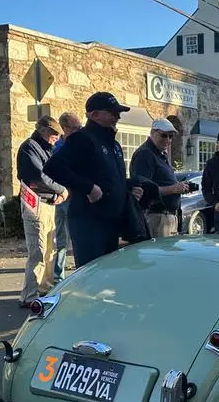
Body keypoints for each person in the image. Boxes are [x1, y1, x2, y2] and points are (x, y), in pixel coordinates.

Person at [44, 92, 145, 267]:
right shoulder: (82, 139)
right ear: (94, 115)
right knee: (92, 278)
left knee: (110, 277)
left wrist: (128, 188)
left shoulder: (113, 144)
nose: (117, 117)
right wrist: (88, 188)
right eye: (112, 113)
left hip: (111, 223)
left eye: (118, 113)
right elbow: (53, 167)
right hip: (89, 223)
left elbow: (109, 178)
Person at [16, 116, 67, 307]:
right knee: (37, 250)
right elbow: (38, 178)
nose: (56, 139)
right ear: (44, 132)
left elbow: (52, 175)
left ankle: (45, 288)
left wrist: (57, 192)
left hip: (48, 202)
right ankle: (29, 295)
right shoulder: (29, 147)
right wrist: (61, 190)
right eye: (54, 135)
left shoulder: (45, 149)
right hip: (34, 204)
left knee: (50, 249)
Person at [129, 118, 190, 237]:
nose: (168, 140)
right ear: (152, 133)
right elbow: (144, 190)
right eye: (163, 135)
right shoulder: (145, 154)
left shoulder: (160, 154)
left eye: (171, 136)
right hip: (156, 218)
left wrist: (179, 187)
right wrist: (174, 189)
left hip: (167, 218)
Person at [52, 112, 82, 283]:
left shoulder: (79, 145)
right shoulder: (57, 148)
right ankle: (58, 276)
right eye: (75, 128)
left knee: (78, 237)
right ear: (65, 128)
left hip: (75, 197)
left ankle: (80, 272)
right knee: (61, 239)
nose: (79, 131)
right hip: (62, 198)